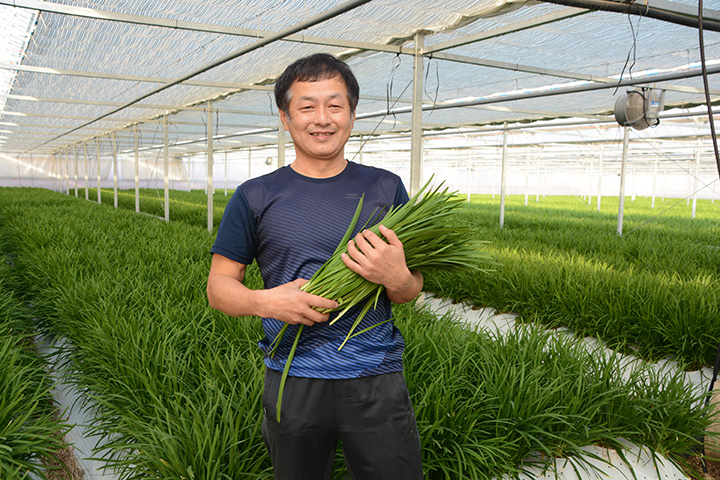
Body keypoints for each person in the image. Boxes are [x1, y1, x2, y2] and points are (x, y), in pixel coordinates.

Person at [206, 53, 424, 480]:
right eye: (307, 106)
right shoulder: (255, 195)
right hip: (293, 378)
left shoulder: (385, 188)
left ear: (353, 114)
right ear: (285, 118)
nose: (322, 118)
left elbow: (410, 288)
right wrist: (268, 303)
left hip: (376, 377)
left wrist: (397, 278)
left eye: (335, 105)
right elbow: (219, 288)